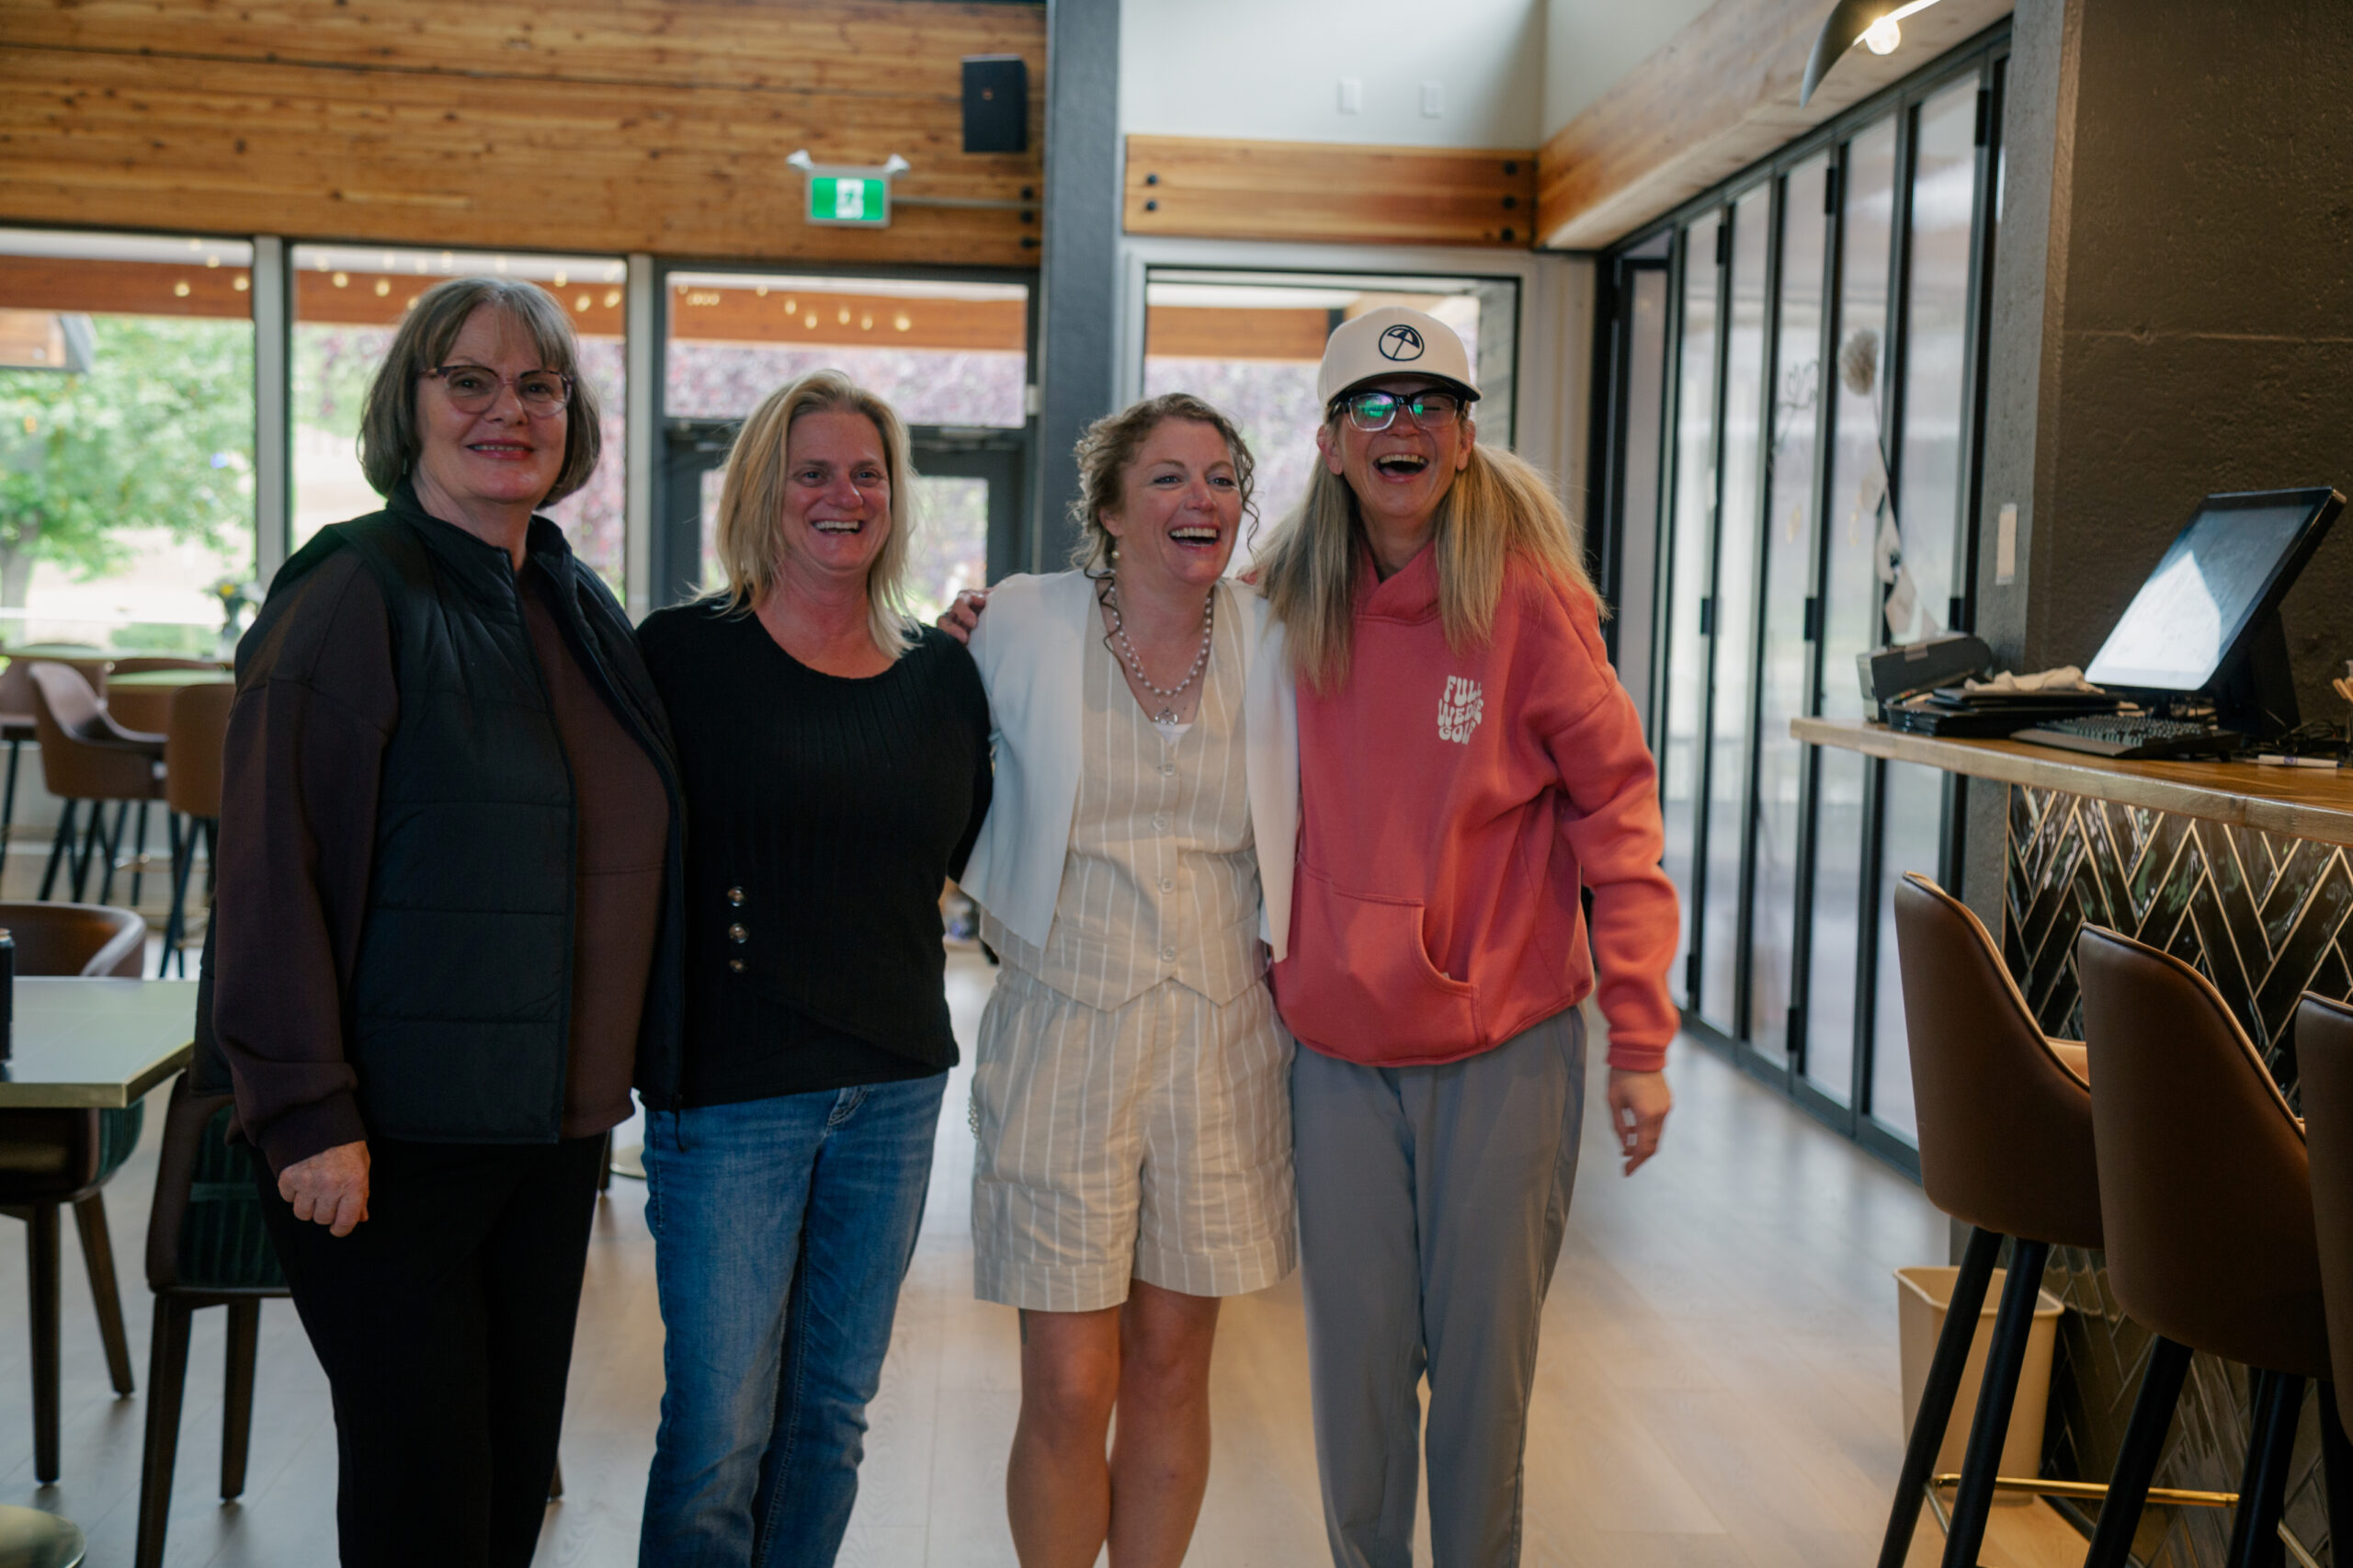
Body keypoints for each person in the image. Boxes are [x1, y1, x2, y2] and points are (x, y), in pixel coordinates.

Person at [210, 275, 684, 1566]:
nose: (506, 410)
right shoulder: (351, 591)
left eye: (538, 386)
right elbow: (267, 866)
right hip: (388, 1141)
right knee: (425, 1501)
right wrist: (306, 1110)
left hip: (549, 1130)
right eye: (468, 380)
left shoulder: (570, 599)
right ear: (408, 405)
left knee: (505, 1484)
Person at [1255, 306, 1678, 1568]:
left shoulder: (1530, 604)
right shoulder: (1279, 604)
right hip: (1334, 1050)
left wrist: (1639, 1036)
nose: (1405, 426)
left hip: (1503, 1048)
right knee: (1356, 1377)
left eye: (1430, 404)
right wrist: (1004, 624)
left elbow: (1620, 817)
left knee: (1484, 1382)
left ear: (1465, 435)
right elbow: (1153, 645)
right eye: (1375, 407)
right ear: (1330, 440)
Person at [633, 369, 993, 1567]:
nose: (845, 495)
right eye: (814, 473)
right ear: (763, 491)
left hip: (892, 1082)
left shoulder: (942, 673)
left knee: (829, 1416)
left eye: (867, 473)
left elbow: (968, 845)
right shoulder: (680, 656)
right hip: (730, 1091)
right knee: (717, 1430)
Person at [941, 393, 1299, 1568]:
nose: (1202, 498)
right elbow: (925, 738)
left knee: (1172, 1364)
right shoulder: (1019, 621)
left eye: (1221, 477)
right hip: (1062, 1026)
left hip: (1221, 1039)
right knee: (1065, 1378)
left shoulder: (1276, 639)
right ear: (1107, 506)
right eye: (1167, 477)